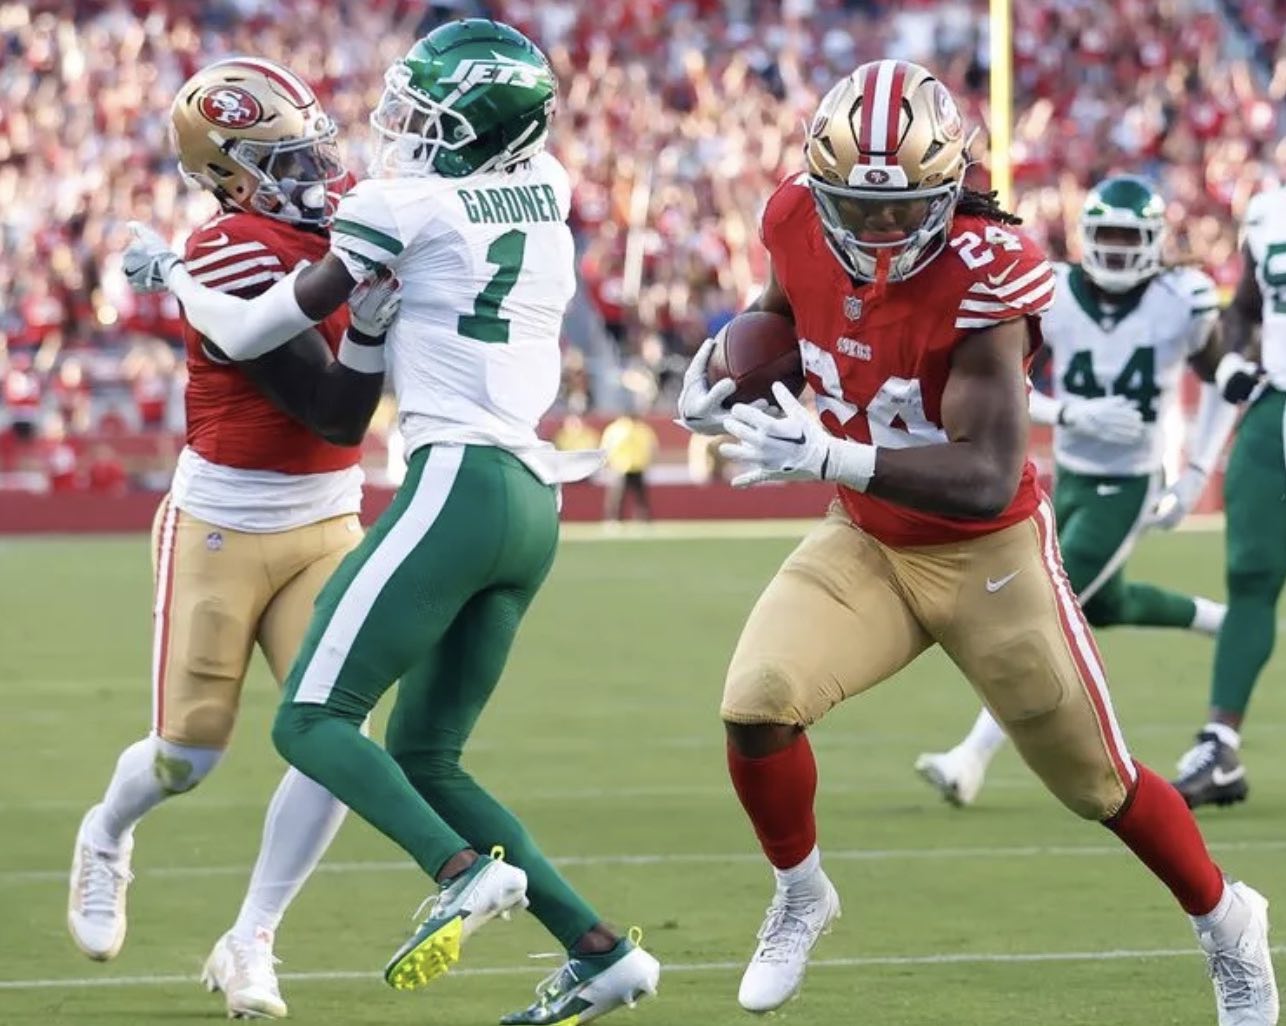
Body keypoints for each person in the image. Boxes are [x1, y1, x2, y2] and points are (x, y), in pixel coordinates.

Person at [677, 59, 1278, 1022]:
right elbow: (778, 314)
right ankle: (800, 893)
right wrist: (717, 366)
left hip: (987, 555)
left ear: (949, 187)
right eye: (855, 208)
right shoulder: (794, 217)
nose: (877, 233)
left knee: (1100, 785)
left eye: (900, 211)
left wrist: (834, 453)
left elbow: (990, 474)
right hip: (868, 539)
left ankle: (1228, 923)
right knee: (756, 703)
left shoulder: (989, 271)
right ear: (818, 190)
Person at [124, 21, 659, 1026]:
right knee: (426, 757)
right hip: (533, 499)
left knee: (309, 721)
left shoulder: (402, 202)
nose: (403, 130)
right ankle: (601, 954)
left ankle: (460, 873)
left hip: (457, 483)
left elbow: (250, 325)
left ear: (473, 131)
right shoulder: (545, 185)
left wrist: (174, 275)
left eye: (429, 118)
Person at [72, 57, 398, 1020]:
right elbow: (331, 409)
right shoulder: (228, 247)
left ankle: (252, 938)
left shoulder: (347, 214)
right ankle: (106, 834)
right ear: (226, 175)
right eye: (281, 160)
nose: (314, 173)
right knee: (190, 752)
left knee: (333, 740)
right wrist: (372, 320)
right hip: (226, 518)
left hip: (328, 516)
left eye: (312, 150)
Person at [915, 174, 1238, 808]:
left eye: (1128, 238)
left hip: (1131, 482)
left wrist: (1198, 472)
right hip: (1069, 472)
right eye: (1105, 236)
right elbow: (1001, 385)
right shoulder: (1053, 291)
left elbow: (1224, 380)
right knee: (1101, 601)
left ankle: (971, 756)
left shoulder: (1183, 299)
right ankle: (1229, 625)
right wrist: (1069, 413)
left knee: (1044, 609)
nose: (1115, 250)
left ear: (1153, 242)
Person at [1170, 182, 1286, 809]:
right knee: (1250, 577)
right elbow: (1246, 306)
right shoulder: (1269, 211)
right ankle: (1220, 747)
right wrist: (1235, 356)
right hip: (1275, 414)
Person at [600, 410, 657, 521]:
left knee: (634, 498)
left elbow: (605, 448)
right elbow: (652, 447)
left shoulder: (615, 429)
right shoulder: (642, 429)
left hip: (628, 467)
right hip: (625, 467)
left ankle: (616, 520)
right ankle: (620, 519)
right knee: (623, 498)